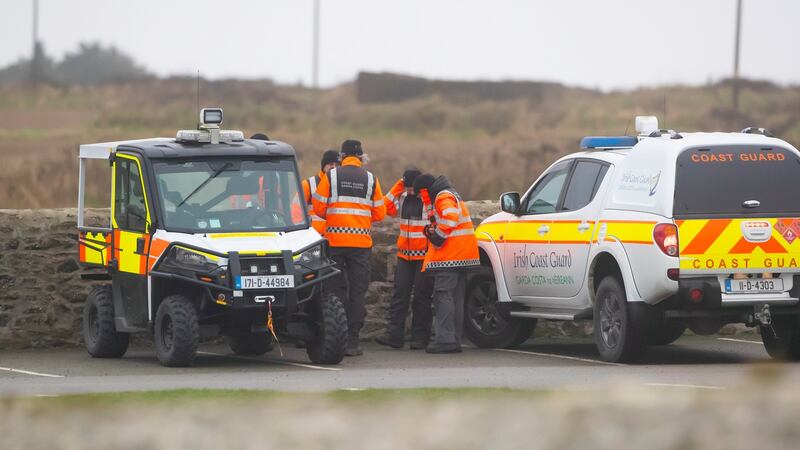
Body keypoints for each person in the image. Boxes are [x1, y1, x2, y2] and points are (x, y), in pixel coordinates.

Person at [313, 139, 386, 356]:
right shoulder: (371, 179)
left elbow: (318, 207)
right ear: (362, 157)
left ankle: (337, 338)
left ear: (342, 157)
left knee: (335, 290)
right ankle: (353, 341)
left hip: (335, 243)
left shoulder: (331, 176)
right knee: (358, 292)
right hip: (361, 245)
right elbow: (380, 213)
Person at [413, 173, 479, 354]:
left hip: (450, 257)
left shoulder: (442, 196)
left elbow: (450, 216)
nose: (419, 199)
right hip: (463, 255)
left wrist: (438, 237)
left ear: (425, 191)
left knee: (443, 296)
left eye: (419, 194)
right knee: (456, 298)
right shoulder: (450, 193)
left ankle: (445, 340)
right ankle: (454, 339)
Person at [374, 168, 434, 350]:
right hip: (404, 256)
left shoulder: (427, 201)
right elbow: (385, 206)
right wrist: (399, 185)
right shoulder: (403, 197)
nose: (408, 191)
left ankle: (420, 337)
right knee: (399, 295)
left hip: (423, 256)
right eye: (406, 187)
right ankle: (394, 335)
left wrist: (420, 192)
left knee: (422, 298)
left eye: (410, 187)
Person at [302, 149, 340, 235]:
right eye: (330, 164)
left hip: (334, 238)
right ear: (323, 166)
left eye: (337, 165)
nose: (334, 167)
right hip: (313, 238)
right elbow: (296, 210)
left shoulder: (341, 186)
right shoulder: (308, 184)